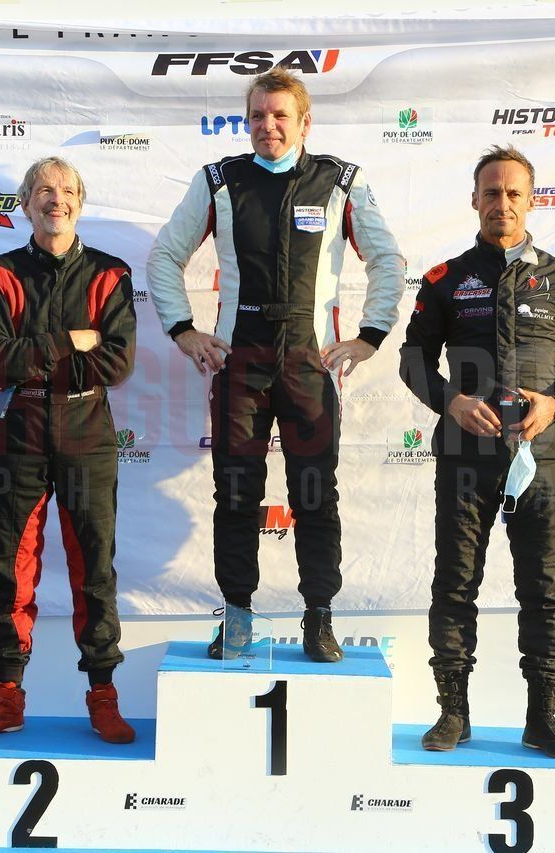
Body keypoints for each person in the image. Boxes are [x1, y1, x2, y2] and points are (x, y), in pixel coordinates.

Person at [147, 68, 405, 662]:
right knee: (237, 494)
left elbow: (387, 259)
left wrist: (369, 336)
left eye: (280, 115)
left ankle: (319, 617)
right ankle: (237, 617)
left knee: (314, 494)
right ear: (247, 121)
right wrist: (183, 329)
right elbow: (165, 256)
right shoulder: (219, 180)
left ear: (304, 122)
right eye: (258, 115)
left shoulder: (340, 180)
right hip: (240, 367)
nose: (268, 126)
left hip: (310, 367)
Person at [399, 145, 555, 757]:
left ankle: (542, 719)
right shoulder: (446, 279)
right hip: (466, 457)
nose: (502, 204)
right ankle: (452, 714)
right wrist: (451, 401)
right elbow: (413, 359)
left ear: (531, 201)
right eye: (492, 193)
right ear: (474, 200)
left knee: (542, 589)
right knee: (455, 583)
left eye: (514, 193)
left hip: (543, 458)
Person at [0, 156, 137, 744]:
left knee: (95, 569)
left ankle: (103, 694)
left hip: (87, 432)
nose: (55, 199)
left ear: (80, 203)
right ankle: (7, 696)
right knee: (12, 572)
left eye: (66, 190)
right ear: (25, 204)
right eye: (43, 190)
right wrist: (70, 340)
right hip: (20, 433)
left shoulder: (110, 273)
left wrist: (37, 352)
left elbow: (117, 363)